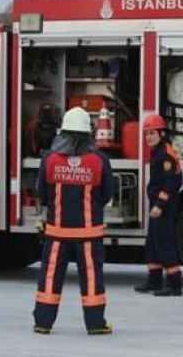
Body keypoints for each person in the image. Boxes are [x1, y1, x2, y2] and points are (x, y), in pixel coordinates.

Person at [32, 107, 114, 335]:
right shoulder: (99, 161)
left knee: (49, 279)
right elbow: (107, 194)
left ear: (63, 132)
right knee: (91, 280)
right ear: (88, 133)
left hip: (57, 234)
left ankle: (43, 323)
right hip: (88, 235)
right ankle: (96, 324)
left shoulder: (49, 160)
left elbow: (42, 193)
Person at [134, 113, 183, 296]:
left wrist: (160, 205)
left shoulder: (165, 154)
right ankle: (154, 280)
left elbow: (172, 183)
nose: (148, 137)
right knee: (153, 242)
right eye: (146, 134)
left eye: (152, 133)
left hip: (164, 207)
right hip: (157, 204)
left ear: (161, 133)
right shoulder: (158, 152)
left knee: (164, 243)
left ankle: (174, 285)